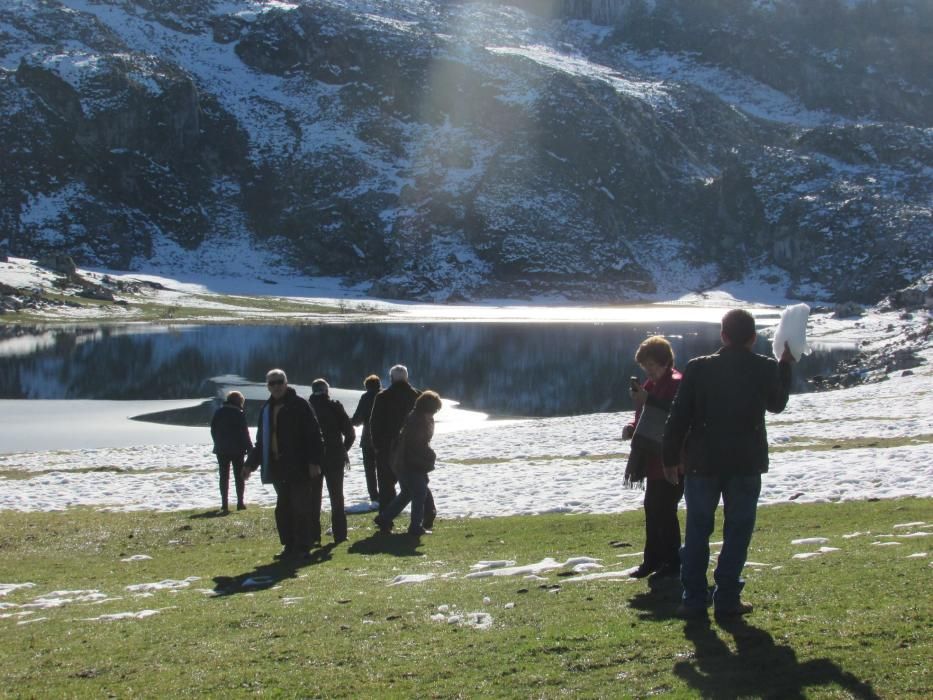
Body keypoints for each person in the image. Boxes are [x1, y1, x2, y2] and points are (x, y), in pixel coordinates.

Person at [662, 309, 795, 618]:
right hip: (745, 463)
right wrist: (785, 366)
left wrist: (670, 457)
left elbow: (678, 416)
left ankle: (694, 598)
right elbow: (777, 404)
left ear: (723, 336)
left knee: (697, 530)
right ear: (753, 338)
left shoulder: (698, 368)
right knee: (737, 530)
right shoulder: (764, 368)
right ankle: (727, 598)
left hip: (702, 462)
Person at [621, 336, 683, 580]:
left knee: (665, 509)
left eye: (652, 366)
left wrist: (650, 401)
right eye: (646, 368)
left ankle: (671, 561)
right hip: (653, 459)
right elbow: (642, 417)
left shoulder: (677, 382)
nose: (649, 372)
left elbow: (676, 413)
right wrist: (630, 427)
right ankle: (653, 560)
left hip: (673, 459)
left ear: (665, 361)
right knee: (653, 508)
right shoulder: (650, 386)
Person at [245, 369, 324, 562]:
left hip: (299, 465)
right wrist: (250, 465)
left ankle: (304, 547)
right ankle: (289, 545)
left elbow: (314, 435)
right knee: (283, 509)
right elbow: (261, 442)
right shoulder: (266, 410)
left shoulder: (299, 405)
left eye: (279, 382)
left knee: (301, 507)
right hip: (278, 467)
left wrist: (314, 462)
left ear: (286, 383)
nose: (276, 386)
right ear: (267, 386)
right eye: (272, 383)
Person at [374, 390, 443, 536]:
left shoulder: (416, 417)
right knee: (419, 492)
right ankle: (415, 526)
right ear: (429, 408)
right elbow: (416, 445)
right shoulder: (418, 420)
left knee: (407, 493)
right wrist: (430, 455)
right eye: (435, 410)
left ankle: (384, 518)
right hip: (410, 463)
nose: (435, 413)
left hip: (402, 462)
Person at [308, 378, 355, 545]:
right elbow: (350, 434)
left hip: (312, 459)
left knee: (313, 498)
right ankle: (340, 534)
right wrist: (342, 450)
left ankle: (313, 536)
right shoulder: (335, 406)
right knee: (337, 497)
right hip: (334, 457)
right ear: (327, 391)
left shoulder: (306, 408)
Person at [369, 364, 420, 512]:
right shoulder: (417, 396)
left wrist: (377, 445)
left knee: (386, 485)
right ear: (406, 378)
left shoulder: (383, 397)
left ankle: (386, 519)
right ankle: (422, 518)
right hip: (412, 448)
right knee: (415, 483)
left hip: (387, 447)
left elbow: (375, 423)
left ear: (391, 378)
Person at [210, 390, 253, 513]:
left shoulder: (218, 412)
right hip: (237, 450)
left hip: (221, 449)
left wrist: (217, 442)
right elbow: (244, 433)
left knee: (224, 476)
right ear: (239, 402)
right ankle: (240, 503)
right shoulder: (238, 413)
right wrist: (249, 449)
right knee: (239, 476)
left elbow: (213, 430)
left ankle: (224, 504)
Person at [350, 374, 382, 506]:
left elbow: (357, 419)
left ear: (366, 386)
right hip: (384, 439)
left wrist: (348, 422)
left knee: (370, 470)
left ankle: (374, 496)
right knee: (383, 468)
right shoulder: (385, 395)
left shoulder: (365, 397)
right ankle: (386, 493)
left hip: (368, 439)